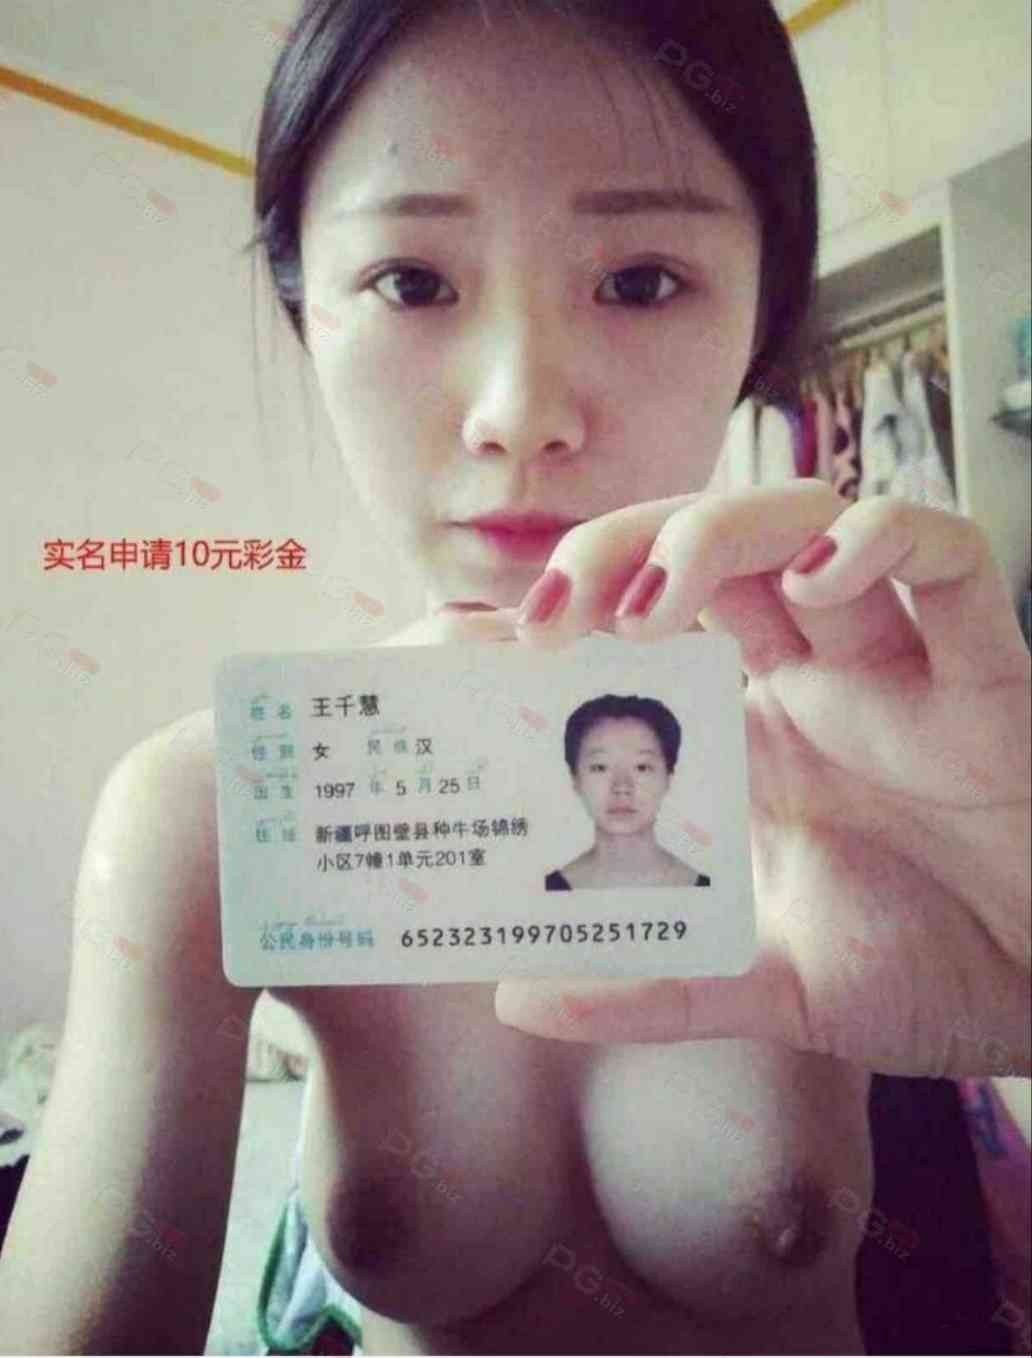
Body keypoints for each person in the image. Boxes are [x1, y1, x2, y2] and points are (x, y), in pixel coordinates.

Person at [0, 0, 1028, 1352]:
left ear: (764, 313)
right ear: (306, 308)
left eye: (642, 279)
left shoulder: (862, 764)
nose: (520, 412)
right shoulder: (216, 806)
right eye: (411, 281)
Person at [544, 695, 712, 890]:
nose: (622, 787)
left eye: (642, 767)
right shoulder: (550, 888)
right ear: (575, 779)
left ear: (668, 778)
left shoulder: (705, 888)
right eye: (600, 767)